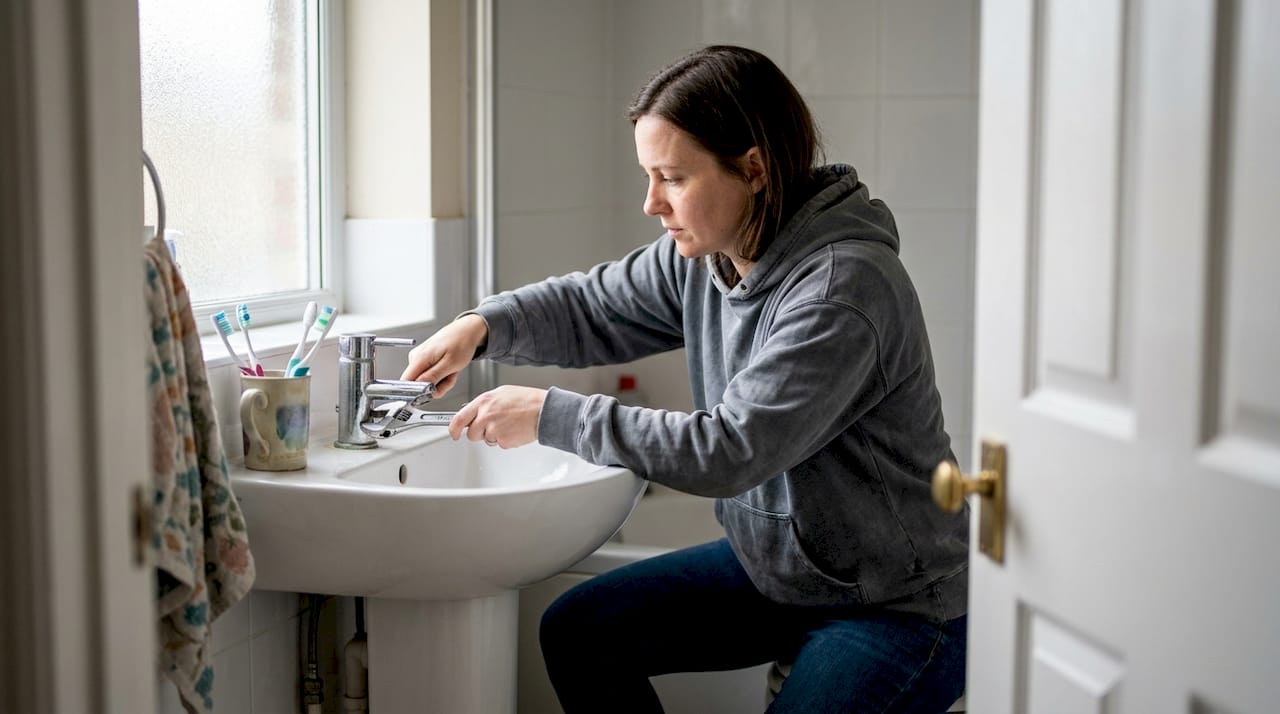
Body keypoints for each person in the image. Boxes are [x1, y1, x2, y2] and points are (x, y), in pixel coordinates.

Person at [401, 44, 968, 713]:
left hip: (895, 607)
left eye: (671, 177)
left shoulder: (842, 288)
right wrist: (482, 324)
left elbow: (731, 451)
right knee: (581, 631)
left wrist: (550, 415)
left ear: (753, 168)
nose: (650, 203)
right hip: (781, 575)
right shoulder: (710, 258)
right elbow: (594, 304)